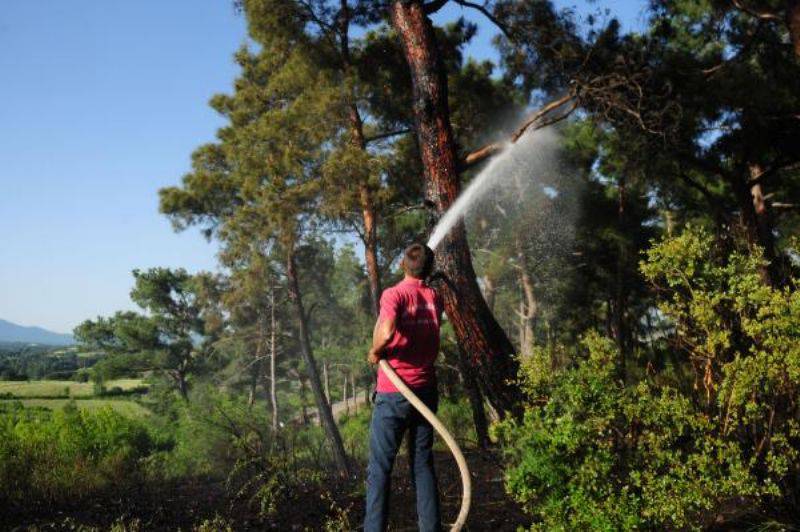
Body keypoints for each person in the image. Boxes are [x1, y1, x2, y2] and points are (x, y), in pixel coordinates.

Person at [364, 243, 443, 532]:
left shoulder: (393, 294)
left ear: (401, 264)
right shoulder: (435, 297)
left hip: (395, 393)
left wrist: (375, 351)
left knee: (379, 469)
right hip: (426, 390)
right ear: (429, 268)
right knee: (422, 464)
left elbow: (385, 331)